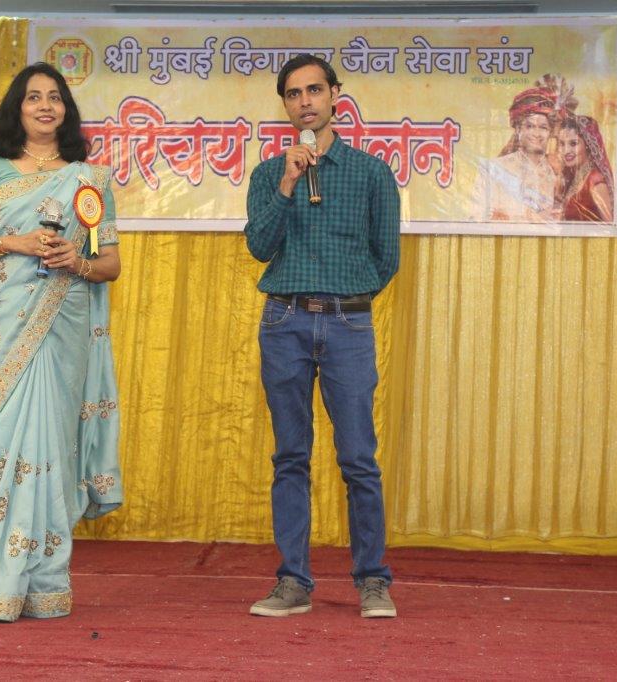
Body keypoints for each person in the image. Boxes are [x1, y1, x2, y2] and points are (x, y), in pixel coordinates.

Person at [0, 62, 122, 622]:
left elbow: (109, 263)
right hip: (7, 319)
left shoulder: (88, 180)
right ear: (16, 107)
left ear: (66, 109)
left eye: (55, 97)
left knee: (52, 448)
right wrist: (13, 242)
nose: (46, 106)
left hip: (65, 322)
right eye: (34, 97)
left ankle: (44, 582)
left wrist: (77, 261)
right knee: (5, 444)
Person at [243, 54, 400, 619]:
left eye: (314, 90)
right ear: (285, 105)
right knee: (290, 456)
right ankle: (293, 581)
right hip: (283, 323)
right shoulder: (268, 175)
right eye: (293, 94)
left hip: (347, 324)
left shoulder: (371, 173)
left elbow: (386, 258)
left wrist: (344, 299)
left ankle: (373, 581)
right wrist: (288, 183)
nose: (304, 101)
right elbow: (259, 246)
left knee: (358, 457)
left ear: (335, 95)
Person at [473, 84, 560, 222]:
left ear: (550, 132)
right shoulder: (493, 170)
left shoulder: (556, 174)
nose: (536, 134)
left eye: (543, 127)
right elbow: (477, 216)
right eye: (529, 126)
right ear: (518, 129)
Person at [556, 115, 614, 222]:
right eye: (562, 144)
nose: (566, 151)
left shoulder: (595, 181)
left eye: (573, 143)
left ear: (587, 144)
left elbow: (609, 227)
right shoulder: (573, 176)